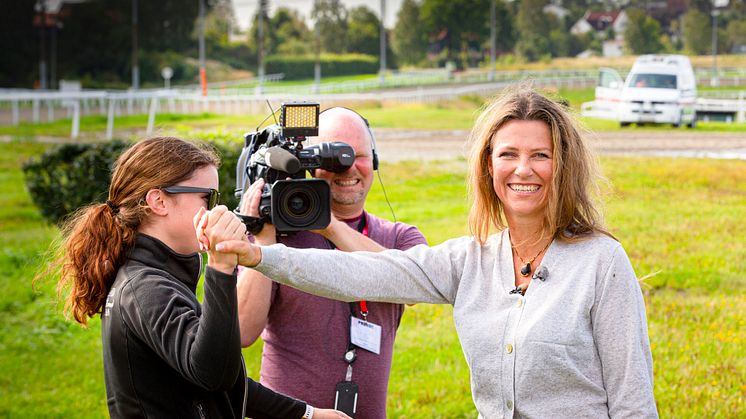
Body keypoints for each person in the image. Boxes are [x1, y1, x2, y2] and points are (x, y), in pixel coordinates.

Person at [211, 89, 659, 418]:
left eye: (540, 154)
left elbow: (633, 404)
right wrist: (258, 254)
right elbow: (358, 272)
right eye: (508, 154)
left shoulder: (602, 262)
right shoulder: (470, 260)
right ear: (488, 166)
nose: (523, 169)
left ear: (563, 165)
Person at [51, 137, 347, 418]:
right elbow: (214, 373)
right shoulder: (145, 289)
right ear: (158, 201)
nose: (217, 208)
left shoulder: (160, 274)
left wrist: (305, 414)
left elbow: (224, 380)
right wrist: (220, 266)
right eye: (208, 197)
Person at [235, 107, 427, 419]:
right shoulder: (279, 237)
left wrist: (329, 225)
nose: (347, 168)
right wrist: (265, 242)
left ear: (374, 161)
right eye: (331, 158)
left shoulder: (399, 238)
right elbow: (242, 332)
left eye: (357, 155)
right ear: (310, 165)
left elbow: (415, 286)